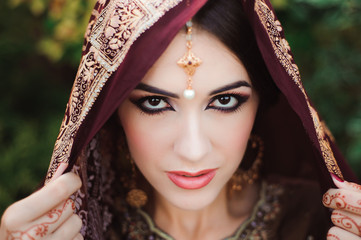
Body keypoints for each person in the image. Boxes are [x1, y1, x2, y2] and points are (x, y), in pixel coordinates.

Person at [1, 0, 360, 239]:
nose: (192, 150)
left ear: (263, 102)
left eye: (225, 100)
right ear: (110, 110)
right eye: (155, 102)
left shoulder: (323, 224)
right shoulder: (71, 232)